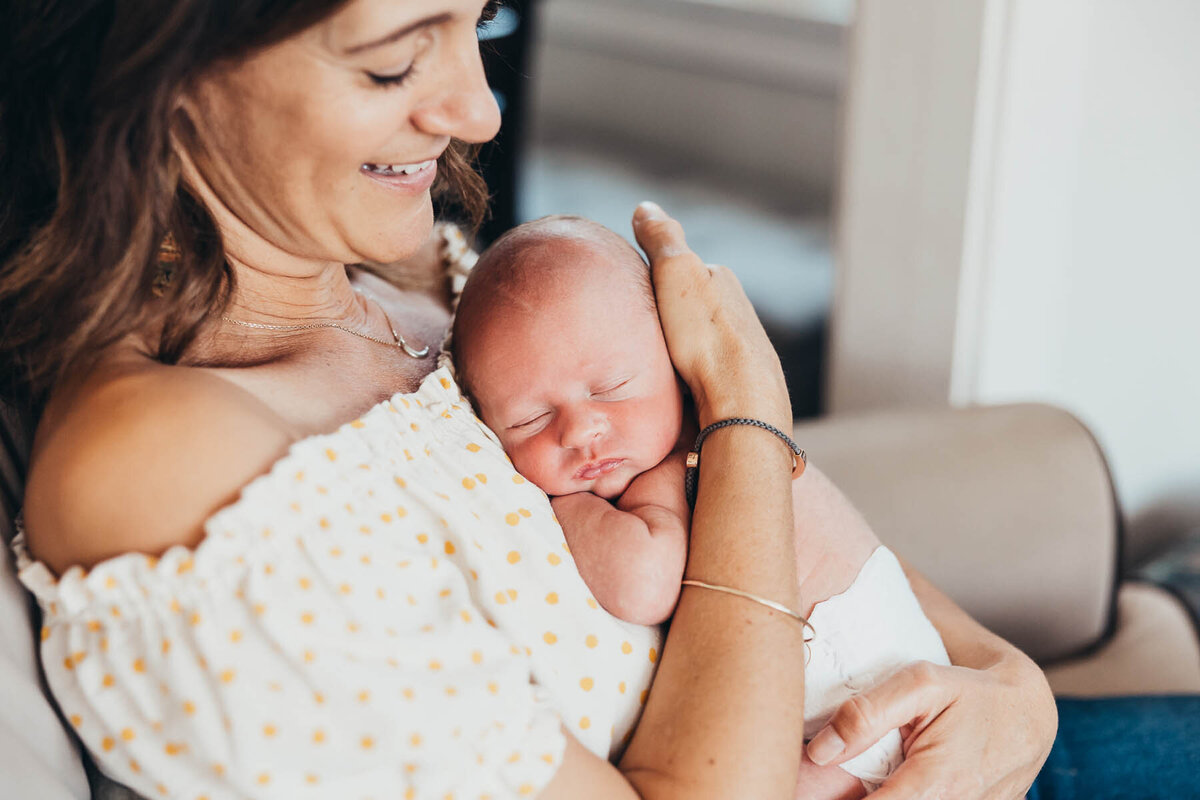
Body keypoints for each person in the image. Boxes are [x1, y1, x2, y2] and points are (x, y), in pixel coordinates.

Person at [0, 1, 1062, 798]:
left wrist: (1013, 693)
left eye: (482, 17)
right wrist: (744, 414)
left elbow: (785, 527)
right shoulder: (169, 462)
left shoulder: (415, 284)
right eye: (394, 60)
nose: (479, 107)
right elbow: (738, 474)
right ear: (168, 70)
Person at [451, 215, 952, 797]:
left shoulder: (682, 462)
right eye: (529, 420)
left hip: (864, 716)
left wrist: (561, 507)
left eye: (611, 387)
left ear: (678, 362)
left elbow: (643, 583)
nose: (581, 429)